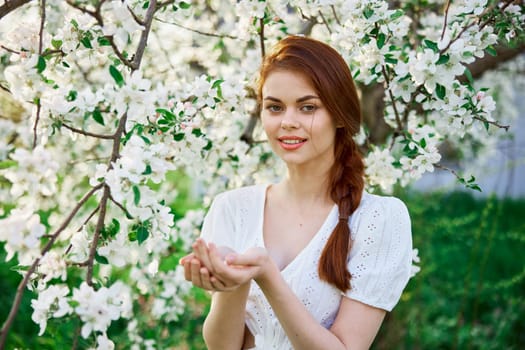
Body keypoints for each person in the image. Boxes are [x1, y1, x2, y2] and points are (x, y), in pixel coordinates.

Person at [179, 35, 413, 350]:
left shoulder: (378, 219)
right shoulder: (233, 208)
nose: (288, 122)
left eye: (307, 107)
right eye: (274, 107)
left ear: (339, 114)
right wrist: (234, 284)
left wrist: (266, 274)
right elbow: (222, 347)